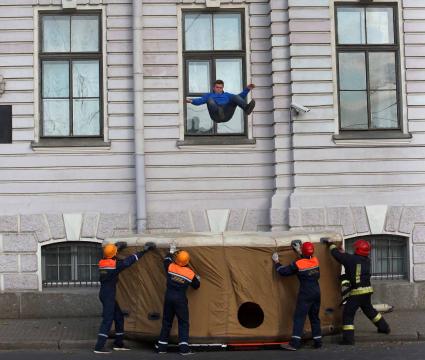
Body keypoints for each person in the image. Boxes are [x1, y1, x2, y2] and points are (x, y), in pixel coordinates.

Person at [321, 238, 391, 345]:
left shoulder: (351, 259)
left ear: (358, 250)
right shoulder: (366, 260)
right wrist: (345, 253)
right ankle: (384, 327)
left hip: (357, 293)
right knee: (370, 311)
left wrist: (330, 244)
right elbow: (351, 260)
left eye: (355, 248)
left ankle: (348, 339)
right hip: (367, 291)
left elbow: (336, 255)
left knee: (348, 314)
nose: (354, 250)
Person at [94, 241, 156, 354]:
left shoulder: (102, 262)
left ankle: (118, 344)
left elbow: (111, 257)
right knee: (107, 320)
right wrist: (145, 251)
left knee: (118, 317)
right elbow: (130, 260)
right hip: (108, 295)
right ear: (113, 254)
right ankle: (99, 346)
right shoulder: (115, 265)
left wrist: (117, 248)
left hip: (105, 293)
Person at [272, 241, 322, 351]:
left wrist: (276, 262)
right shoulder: (315, 260)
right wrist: (299, 251)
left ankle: (294, 344)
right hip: (317, 292)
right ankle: (318, 341)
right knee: (314, 317)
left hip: (306, 293)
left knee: (299, 318)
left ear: (303, 251)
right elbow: (307, 260)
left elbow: (283, 272)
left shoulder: (298, 264)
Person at [157, 245, 200, 356]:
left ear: (177, 259)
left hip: (168, 297)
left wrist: (171, 252)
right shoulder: (190, 273)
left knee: (166, 322)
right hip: (180, 300)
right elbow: (196, 285)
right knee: (183, 323)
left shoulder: (170, 267)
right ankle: (184, 349)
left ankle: (161, 348)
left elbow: (166, 260)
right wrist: (197, 278)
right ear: (187, 261)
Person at [186, 80, 256, 123]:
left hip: (226, 114)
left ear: (222, 88)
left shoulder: (227, 95)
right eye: (217, 87)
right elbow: (200, 101)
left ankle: (246, 108)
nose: (219, 89)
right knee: (210, 100)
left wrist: (247, 89)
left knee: (235, 97)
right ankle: (219, 112)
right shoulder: (209, 95)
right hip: (216, 115)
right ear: (213, 88)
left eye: (220, 87)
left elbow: (239, 98)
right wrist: (190, 100)